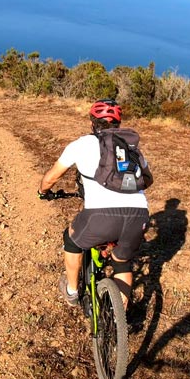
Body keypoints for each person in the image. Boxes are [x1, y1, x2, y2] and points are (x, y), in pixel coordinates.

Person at [37, 99, 150, 309]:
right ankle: (119, 319)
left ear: (92, 122)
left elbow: (52, 177)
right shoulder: (131, 148)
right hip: (139, 214)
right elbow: (146, 177)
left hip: (101, 216)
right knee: (122, 262)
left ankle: (72, 292)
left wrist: (43, 192)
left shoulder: (81, 144)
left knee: (71, 241)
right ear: (118, 123)